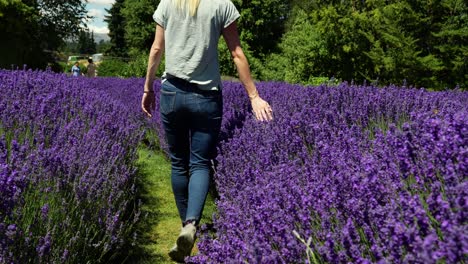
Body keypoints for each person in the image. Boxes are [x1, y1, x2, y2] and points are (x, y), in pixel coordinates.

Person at [141, 0, 273, 261]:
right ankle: (191, 224)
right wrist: (254, 97)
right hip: (206, 97)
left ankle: (185, 227)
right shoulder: (222, 4)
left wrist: (147, 88)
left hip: (172, 94)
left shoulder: (168, 2)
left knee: (179, 163)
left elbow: (156, 49)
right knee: (200, 163)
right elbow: (237, 53)